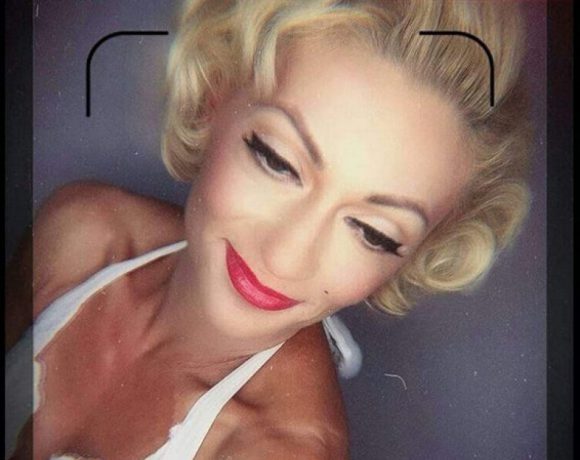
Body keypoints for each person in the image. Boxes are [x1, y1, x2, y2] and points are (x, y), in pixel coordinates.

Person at [6, 0, 532, 458]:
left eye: (373, 232)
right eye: (278, 160)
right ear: (214, 96)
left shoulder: (280, 450)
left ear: (416, 256)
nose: (284, 257)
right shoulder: (80, 235)